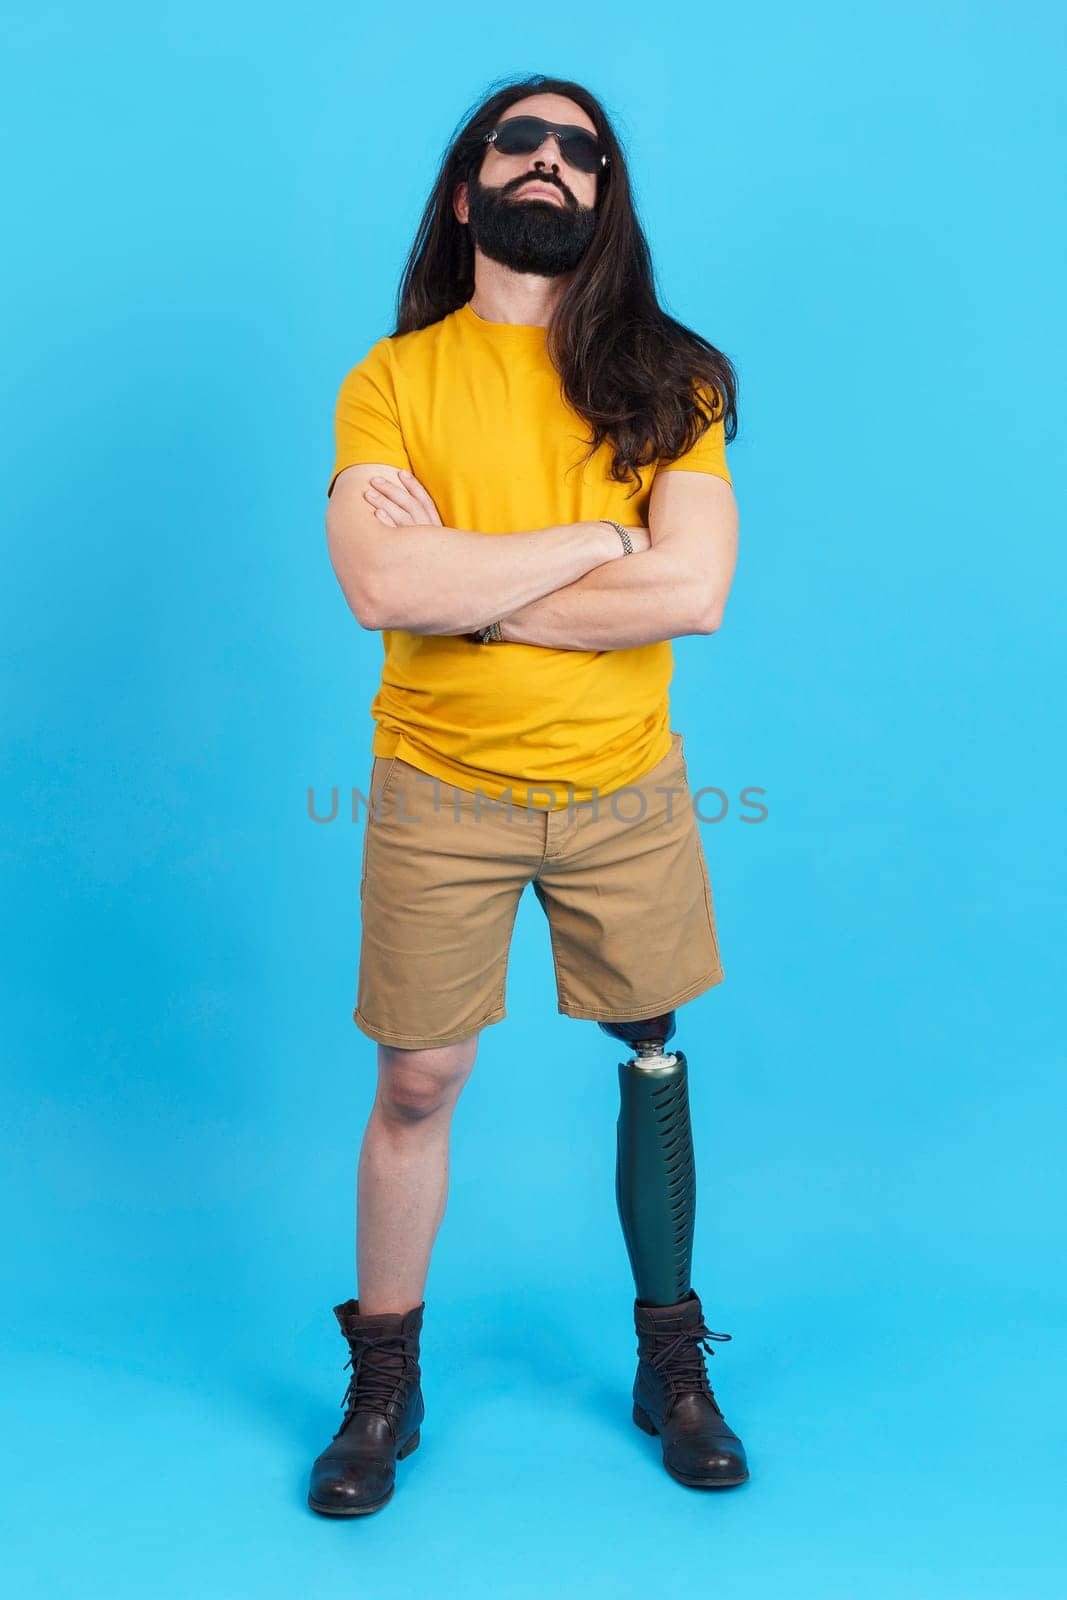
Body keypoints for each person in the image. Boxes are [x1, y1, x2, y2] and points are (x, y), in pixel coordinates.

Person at [308, 74, 748, 1518]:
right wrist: (586, 541)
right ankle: (384, 1377)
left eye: (586, 152)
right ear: (467, 187)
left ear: (605, 198)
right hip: (439, 782)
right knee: (418, 1078)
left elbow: (693, 591)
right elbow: (380, 581)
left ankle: (670, 1360)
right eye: (524, 141)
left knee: (652, 1056)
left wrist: (476, 587)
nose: (554, 163)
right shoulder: (393, 380)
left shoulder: (675, 379)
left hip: (622, 786)